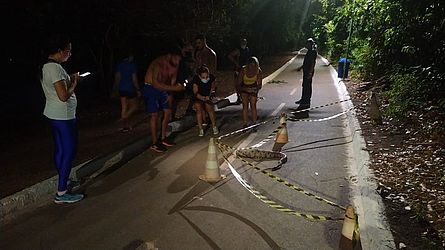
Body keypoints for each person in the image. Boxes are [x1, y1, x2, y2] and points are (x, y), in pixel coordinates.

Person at [40, 34, 84, 204]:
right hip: (63, 116)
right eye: (68, 51)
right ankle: (62, 192)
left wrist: (68, 78)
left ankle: (63, 182)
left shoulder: (47, 66)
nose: (70, 54)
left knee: (60, 149)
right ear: (59, 51)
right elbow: (64, 96)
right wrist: (74, 83)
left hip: (54, 114)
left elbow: (56, 87)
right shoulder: (55, 69)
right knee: (69, 150)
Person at [143, 48, 185, 153]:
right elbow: (156, 83)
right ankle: (154, 142)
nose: (177, 62)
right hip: (151, 88)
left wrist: (171, 93)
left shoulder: (176, 64)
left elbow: (173, 79)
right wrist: (174, 88)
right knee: (155, 114)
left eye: (179, 60)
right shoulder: (158, 64)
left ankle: (163, 137)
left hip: (164, 87)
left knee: (168, 111)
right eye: (176, 59)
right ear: (169, 55)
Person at [194, 34, 217, 125]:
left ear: (204, 41)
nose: (197, 45)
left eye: (199, 43)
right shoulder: (198, 53)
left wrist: (212, 84)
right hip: (199, 81)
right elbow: (196, 66)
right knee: (200, 102)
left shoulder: (210, 53)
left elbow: (213, 70)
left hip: (208, 81)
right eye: (196, 43)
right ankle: (203, 120)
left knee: (208, 103)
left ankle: (211, 121)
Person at [115, 54, 140, 130]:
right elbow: (134, 79)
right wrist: (138, 89)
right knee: (134, 107)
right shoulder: (132, 66)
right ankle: (124, 118)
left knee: (124, 107)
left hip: (121, 88)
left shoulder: (120, 65)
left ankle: (125, 125)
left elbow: (117, 77)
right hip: (130, 89)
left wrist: (116, 87)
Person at [191, 65, 219, 137]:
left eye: (207, 77)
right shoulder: (195, 79)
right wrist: (203, 98)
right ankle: (201, 129)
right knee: (198, 108)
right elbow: (195, 93)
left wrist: (210, 95)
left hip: (208, 95)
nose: (206, 79)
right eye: (203, 77)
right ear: (199, 76)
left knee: (209, 108)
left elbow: (213, 87)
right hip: (198, 96)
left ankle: (214, 127)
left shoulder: (211, 77)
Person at [238, 57, 262, 128]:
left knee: (253, 105)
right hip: (244, 87)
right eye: (250, 66)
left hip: (253, 87)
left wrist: (255, 90)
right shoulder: (243, 70)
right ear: (248, 65)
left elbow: (259, 85)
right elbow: (238, 84)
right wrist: (245, 89)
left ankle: (254, 122)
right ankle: (245, 123)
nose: (252, 68)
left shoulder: (258, 71)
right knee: (245, 105)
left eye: (254, 66)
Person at [295, 38, 317, 110]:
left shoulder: (313, 52)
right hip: (306, 71)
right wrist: (301, 67)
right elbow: (306, 62)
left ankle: (307, 101)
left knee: (307, 86)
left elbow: (313, 63)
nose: (306, 45)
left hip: (309, 72)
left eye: (307, 43)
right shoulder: (309, 51)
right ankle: (303, 99)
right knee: (304, 85)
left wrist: (310, 72)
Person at [228, 38, 252, 104]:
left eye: (244, 42)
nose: (243, 44)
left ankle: (245, 96)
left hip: (245, 68)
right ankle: (238, 97)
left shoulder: (247, 49)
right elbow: (230, 56)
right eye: (242, 42)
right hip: (239, 68)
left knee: (246, 82)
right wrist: (236, 63)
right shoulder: (238, 50)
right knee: (238, 83)